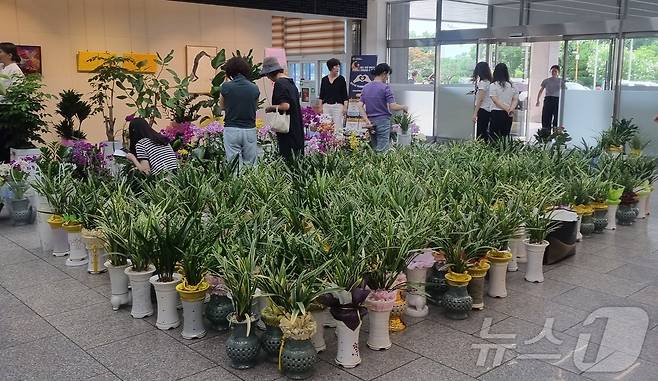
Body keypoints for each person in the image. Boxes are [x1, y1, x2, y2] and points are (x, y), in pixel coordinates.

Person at [219, 56, 260, 167]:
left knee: (234, 165)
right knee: (250, 164)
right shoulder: (254, 88)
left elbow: (221, 106)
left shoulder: (226, 87)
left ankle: (237, 184)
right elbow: (255, 107)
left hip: (231, 129)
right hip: (249, 129)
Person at [261, 57, 304, 160]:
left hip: (287, 130)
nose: (268, 78)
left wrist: (271, 108)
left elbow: (285, 106)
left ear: (270, 73)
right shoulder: (290, 83)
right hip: (296, 127)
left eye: (267, 75)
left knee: (287, 158)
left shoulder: (280, 84)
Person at [359, 63, 408, 152]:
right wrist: (403, 107)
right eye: (388, 75)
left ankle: (373, 165)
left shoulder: (365, 87)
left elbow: (360, 106)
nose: (387, 77)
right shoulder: (385, 88)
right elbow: (393, 106)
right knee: (383, 150)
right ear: (384, 73)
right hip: (383, 121)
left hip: (371, 123)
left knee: (375, 147)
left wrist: (367, 120)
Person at [489, 63, 518, 139]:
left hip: (496, 113)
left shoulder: (493, 85)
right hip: (508, 114)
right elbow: (515, 99)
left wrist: (507, 109)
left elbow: (495, 100)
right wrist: (510, 109)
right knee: (505, 136)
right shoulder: (512, 85)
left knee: (494, 137)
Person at [319, 58, 348, 132]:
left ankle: (338, 142)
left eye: (338, 66)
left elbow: (345, 95)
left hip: (338, 105)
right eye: (336, 66)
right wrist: (320, 107)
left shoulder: (341, 79)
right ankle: (326, 141)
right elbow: (321, 94)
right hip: (326, 105)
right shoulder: (324, 79)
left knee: (338, 126)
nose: (337, 68)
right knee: (326, 125)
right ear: (330, 67)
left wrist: (345, 107)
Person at [536, 65, 565, 137]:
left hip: (557, 99)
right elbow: (541, 90)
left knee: (556, 117)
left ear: (558, 72)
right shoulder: (546, 81)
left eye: (555, 71)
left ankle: (556, 134)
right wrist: (538, 100)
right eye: (552, 71)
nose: (553, 72)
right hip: (548, 99)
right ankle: (546, 133)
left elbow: (565, 91)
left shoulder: (561, 81)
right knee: (546, 117)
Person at [471, 62, 494, 141]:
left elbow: (480, 99)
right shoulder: (489, 82)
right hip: (488, 109)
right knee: (484, 131)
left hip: (483, 109)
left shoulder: (483, 83)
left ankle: (481, 148)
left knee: (481, 132)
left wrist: (475, 113)